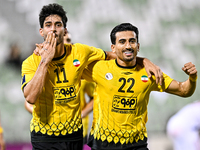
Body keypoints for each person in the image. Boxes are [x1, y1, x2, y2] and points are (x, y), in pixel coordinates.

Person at [21, 3, 163, 150]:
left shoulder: (80, 52)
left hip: (74, 134)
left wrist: (144, 60)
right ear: (41, 31)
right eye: (48, 25)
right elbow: (30, 97)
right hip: (44, 137)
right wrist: (45, 60)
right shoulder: (30, 62)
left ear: (65, 30)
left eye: (58, 25)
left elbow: (114, 55)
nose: (53, 30)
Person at [82, 23, 197, 150]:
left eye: (132, 41)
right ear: (113, 48)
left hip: (136, 144)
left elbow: (183, 90)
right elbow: (71, 68)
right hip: (103, 143)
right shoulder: (99, 68)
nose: (128, 46)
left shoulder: (150, 72)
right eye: (122, 42)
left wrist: (192, 78)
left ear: (138, 46)